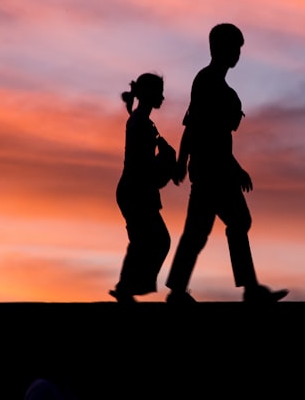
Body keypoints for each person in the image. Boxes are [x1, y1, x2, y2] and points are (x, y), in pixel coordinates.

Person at [165, 23, 288, 304]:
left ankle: (182, 290)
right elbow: (197, 128)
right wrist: (185, 161)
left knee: (205, 230)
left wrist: (230, 167)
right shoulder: (207, 82)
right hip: (212, 170)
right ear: (220, 49)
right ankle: (247, 290)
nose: (238, 54)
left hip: (215, 168)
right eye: (235, 48)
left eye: (239, 48)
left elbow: (206, 132)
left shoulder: (217, 85)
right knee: (227, 224)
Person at [111, 73, 176, 303]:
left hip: (134, 190)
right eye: (159, 92)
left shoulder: (142, 122)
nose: (162, 97)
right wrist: (167, 162)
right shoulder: (141, 123)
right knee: (155, 240)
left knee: (145, 241)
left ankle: (126, 288)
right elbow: (143, 166)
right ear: (149, 94)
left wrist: (166, 162)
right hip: (135, 190)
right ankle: (127, 288)